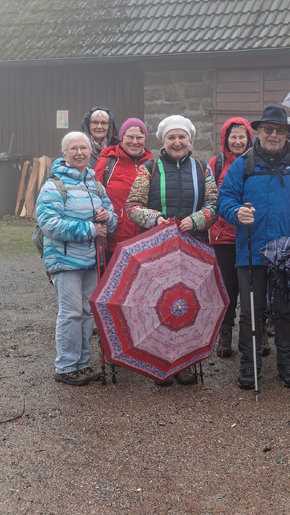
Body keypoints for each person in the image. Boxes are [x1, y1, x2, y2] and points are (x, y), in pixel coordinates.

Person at [217, 106, 290, 389]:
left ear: (287, 133)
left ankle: (286, 362)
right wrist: (237, 212)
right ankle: (250, 364)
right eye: (268, 129)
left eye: (280, 130)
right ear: (258, 132)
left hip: (289, 251)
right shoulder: (242, 165)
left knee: (286, 310)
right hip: (251, 248)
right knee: (251, 310)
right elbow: (224, 199)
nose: (274, 135)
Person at [127, 115, 218, 386]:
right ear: (163, 141)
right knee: (159, 304)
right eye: (171, 137)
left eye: (182, 137)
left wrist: (197, 220)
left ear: (190, 140)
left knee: (189, 304)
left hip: (193, 246)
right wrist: (155, 219)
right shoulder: (149, 168)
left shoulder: (202, 169)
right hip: (159, 247)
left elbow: (214, 204)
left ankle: (185, 362)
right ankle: (160, 363)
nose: (177, 142)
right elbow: (132, 206)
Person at [36, 131, 117, 386]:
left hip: (92, 262)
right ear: (64, 154)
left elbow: (113, 218)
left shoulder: (95, 185)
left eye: (83, 148)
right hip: (65, 261)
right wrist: (91, 230)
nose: (79, 152)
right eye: (74, 149)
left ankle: (82, 365)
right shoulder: (53, 185)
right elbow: (49, 224)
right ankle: (66, 366)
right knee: (70, 314)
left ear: (89, 153)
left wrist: (107, 218)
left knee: (86, 313)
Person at [208, 117, 253, 358]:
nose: (237, 141)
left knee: (254, 287)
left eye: (241, 137)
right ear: (226, 139)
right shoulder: (216, 164)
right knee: (226, 288)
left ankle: (256, 334)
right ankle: (225, 334)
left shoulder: (256, 161)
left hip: (250, 234)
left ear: (249, 139)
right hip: (224, 236)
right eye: (233, 137)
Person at [93, 118, 152, 259]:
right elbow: (94, 196)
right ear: (121, 138)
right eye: (129, 137)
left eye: (139, 137)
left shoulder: (152, 166)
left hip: (143, 242)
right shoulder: (106, 163)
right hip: (113, 241)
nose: (134, 141)